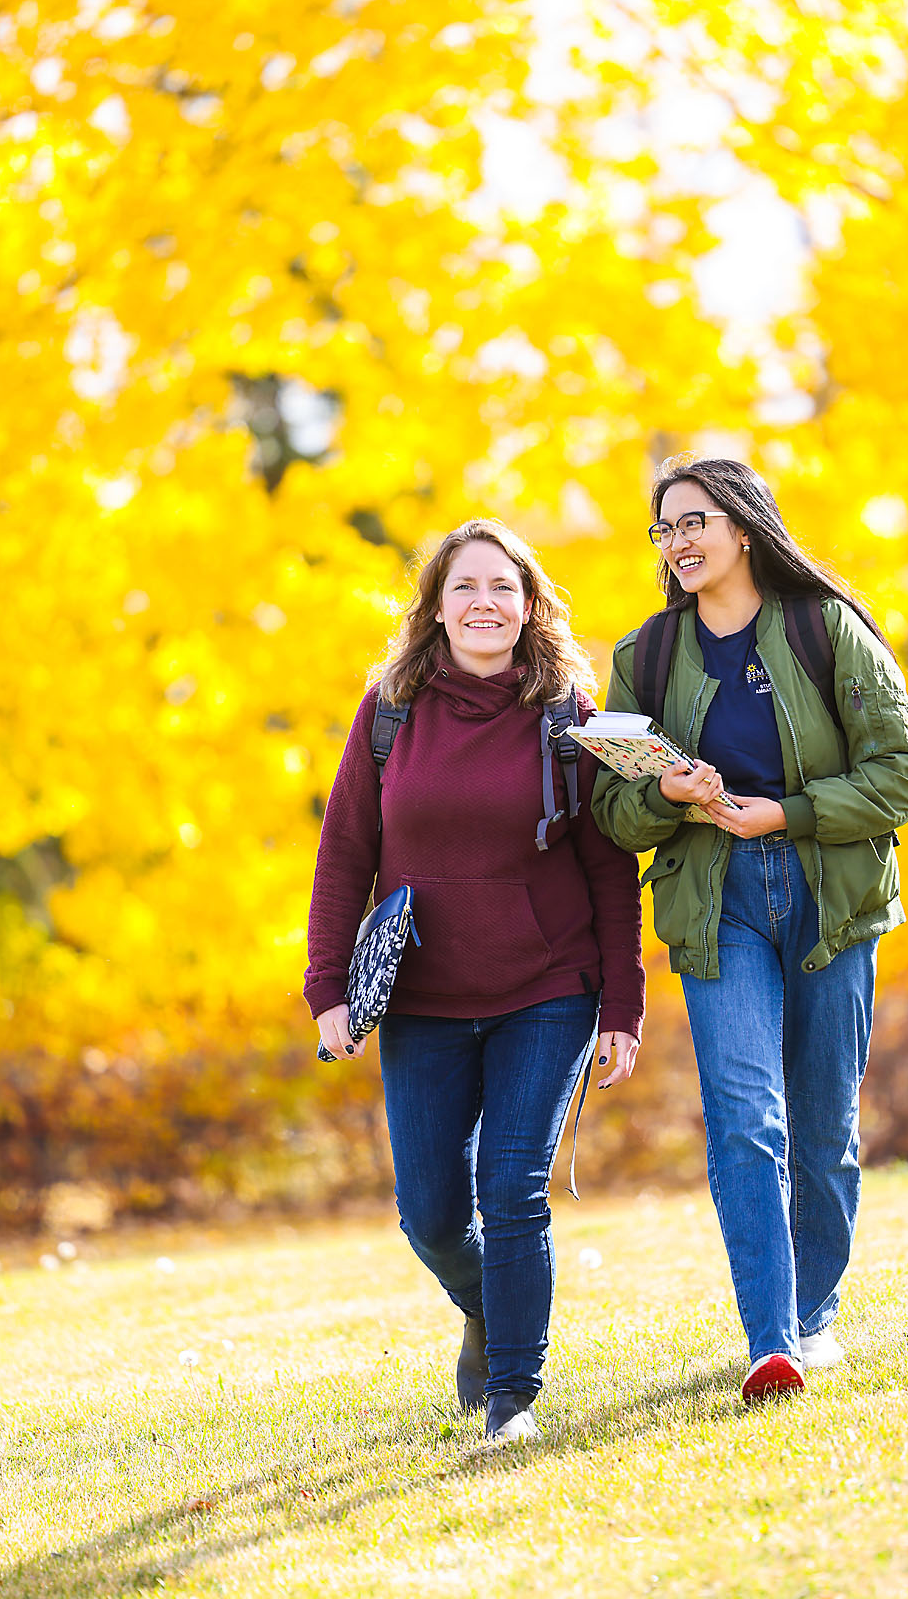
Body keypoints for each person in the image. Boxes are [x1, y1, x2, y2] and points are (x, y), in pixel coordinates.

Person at [592, 456, 908, 1403]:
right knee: (747, 1122)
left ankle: (813, 1316)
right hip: (716, 903)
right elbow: (612, 821)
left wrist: (785, 815)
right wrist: (663, 793)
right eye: (663, 529)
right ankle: (770, 1340)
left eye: (693, 521)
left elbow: (903, 771)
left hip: (833, 899)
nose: (678, 542)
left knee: (822, 1125)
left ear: (743, 527)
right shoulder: (645, 659)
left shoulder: (827, 630)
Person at [305, 518, 644, 1442]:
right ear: (437, 606)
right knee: (429, 1214)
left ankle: (512, 1400)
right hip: (420, 999)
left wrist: (622, 1004)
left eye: (503, 587)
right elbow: (344, 856)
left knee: (512, 1186)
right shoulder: (389, 712)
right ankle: (489, 1307)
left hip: (547, 987)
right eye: (464, 587)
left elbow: (610, 869)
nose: (484, 603)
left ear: (529, 604)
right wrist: (326, 987)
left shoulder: (571, 717)